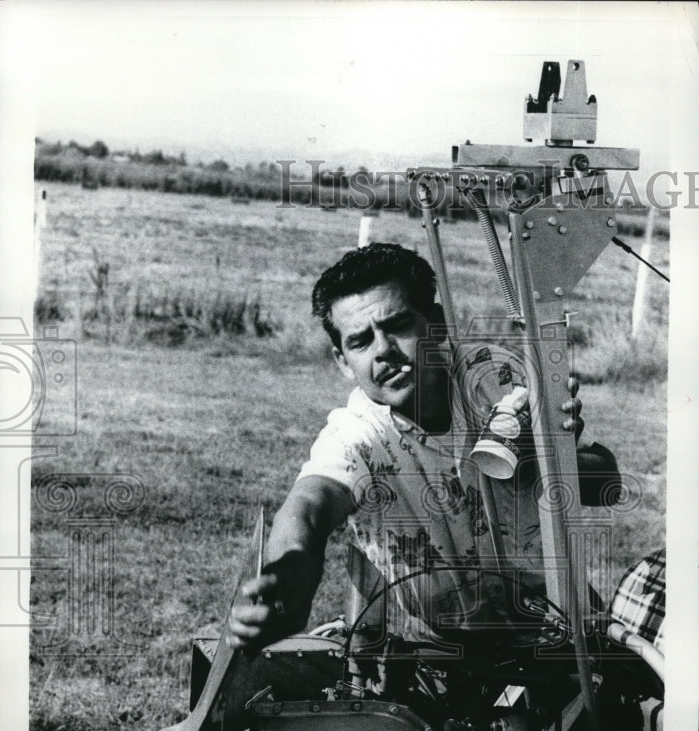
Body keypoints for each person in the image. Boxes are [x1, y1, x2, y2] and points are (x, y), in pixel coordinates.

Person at [229, 243, 620, 657]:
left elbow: (605, 481)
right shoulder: (356, 436)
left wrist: (542, 459)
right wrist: (292, 572)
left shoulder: (500, 380)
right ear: (343, 362)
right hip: (448, 653)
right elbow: (309, 503)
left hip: (565, 631)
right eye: (361, 342)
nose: (384, 350)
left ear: (435, 323)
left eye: (397, 325)